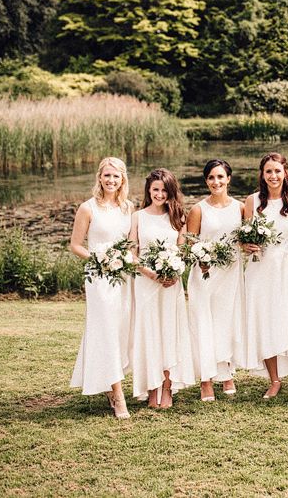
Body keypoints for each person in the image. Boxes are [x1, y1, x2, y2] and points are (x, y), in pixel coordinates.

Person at [69, 157, 134, 419]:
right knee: (106, 328)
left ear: (123, 179)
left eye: (115, 177)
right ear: (99, 177)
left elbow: (130, 244)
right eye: (106, 176)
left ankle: (109, 381)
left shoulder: (128, 207)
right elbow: (75, 245)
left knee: (120, 330)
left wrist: (126, 260)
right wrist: (99, 259)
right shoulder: (88, 208)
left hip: (123, 276)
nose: (110, 181)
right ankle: (118, 396)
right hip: (99, 277)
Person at [242, 153, 288, 399]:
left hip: (284, 268)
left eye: (277, 171)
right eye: (268, 171)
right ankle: (275, 378)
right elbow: (244, 237)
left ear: (285, 172)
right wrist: (246, 245)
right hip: (260, 269)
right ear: (262, 174)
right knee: (265, 320)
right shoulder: (252, 201)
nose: (273, 176)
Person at [129, 168, 195, 408]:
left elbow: (182, 252)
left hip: (170, 285)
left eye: (164, 190)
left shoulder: (178, 217)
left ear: (171, 191)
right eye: (155, 189)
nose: (159, 194)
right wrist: (148, 272)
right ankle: (152, 386)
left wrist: (174, 271)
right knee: (150, 333)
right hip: (146, 283)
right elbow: (132, 253)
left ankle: (167, 386)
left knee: (169, 332)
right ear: (148, 190)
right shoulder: (138, 217)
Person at [186, 159, 244, 402]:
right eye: (211, 177)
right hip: (205, 274)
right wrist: (201, 256)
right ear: (206, 180)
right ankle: (206, 380)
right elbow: (190, 242)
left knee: (225, 323)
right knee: (204, 323)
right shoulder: (198, 209)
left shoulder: (241, 208)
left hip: (230, 274)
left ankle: (226, 372)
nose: (216, 182)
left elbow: (244, 238)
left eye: (220, 177)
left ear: (229, 179)